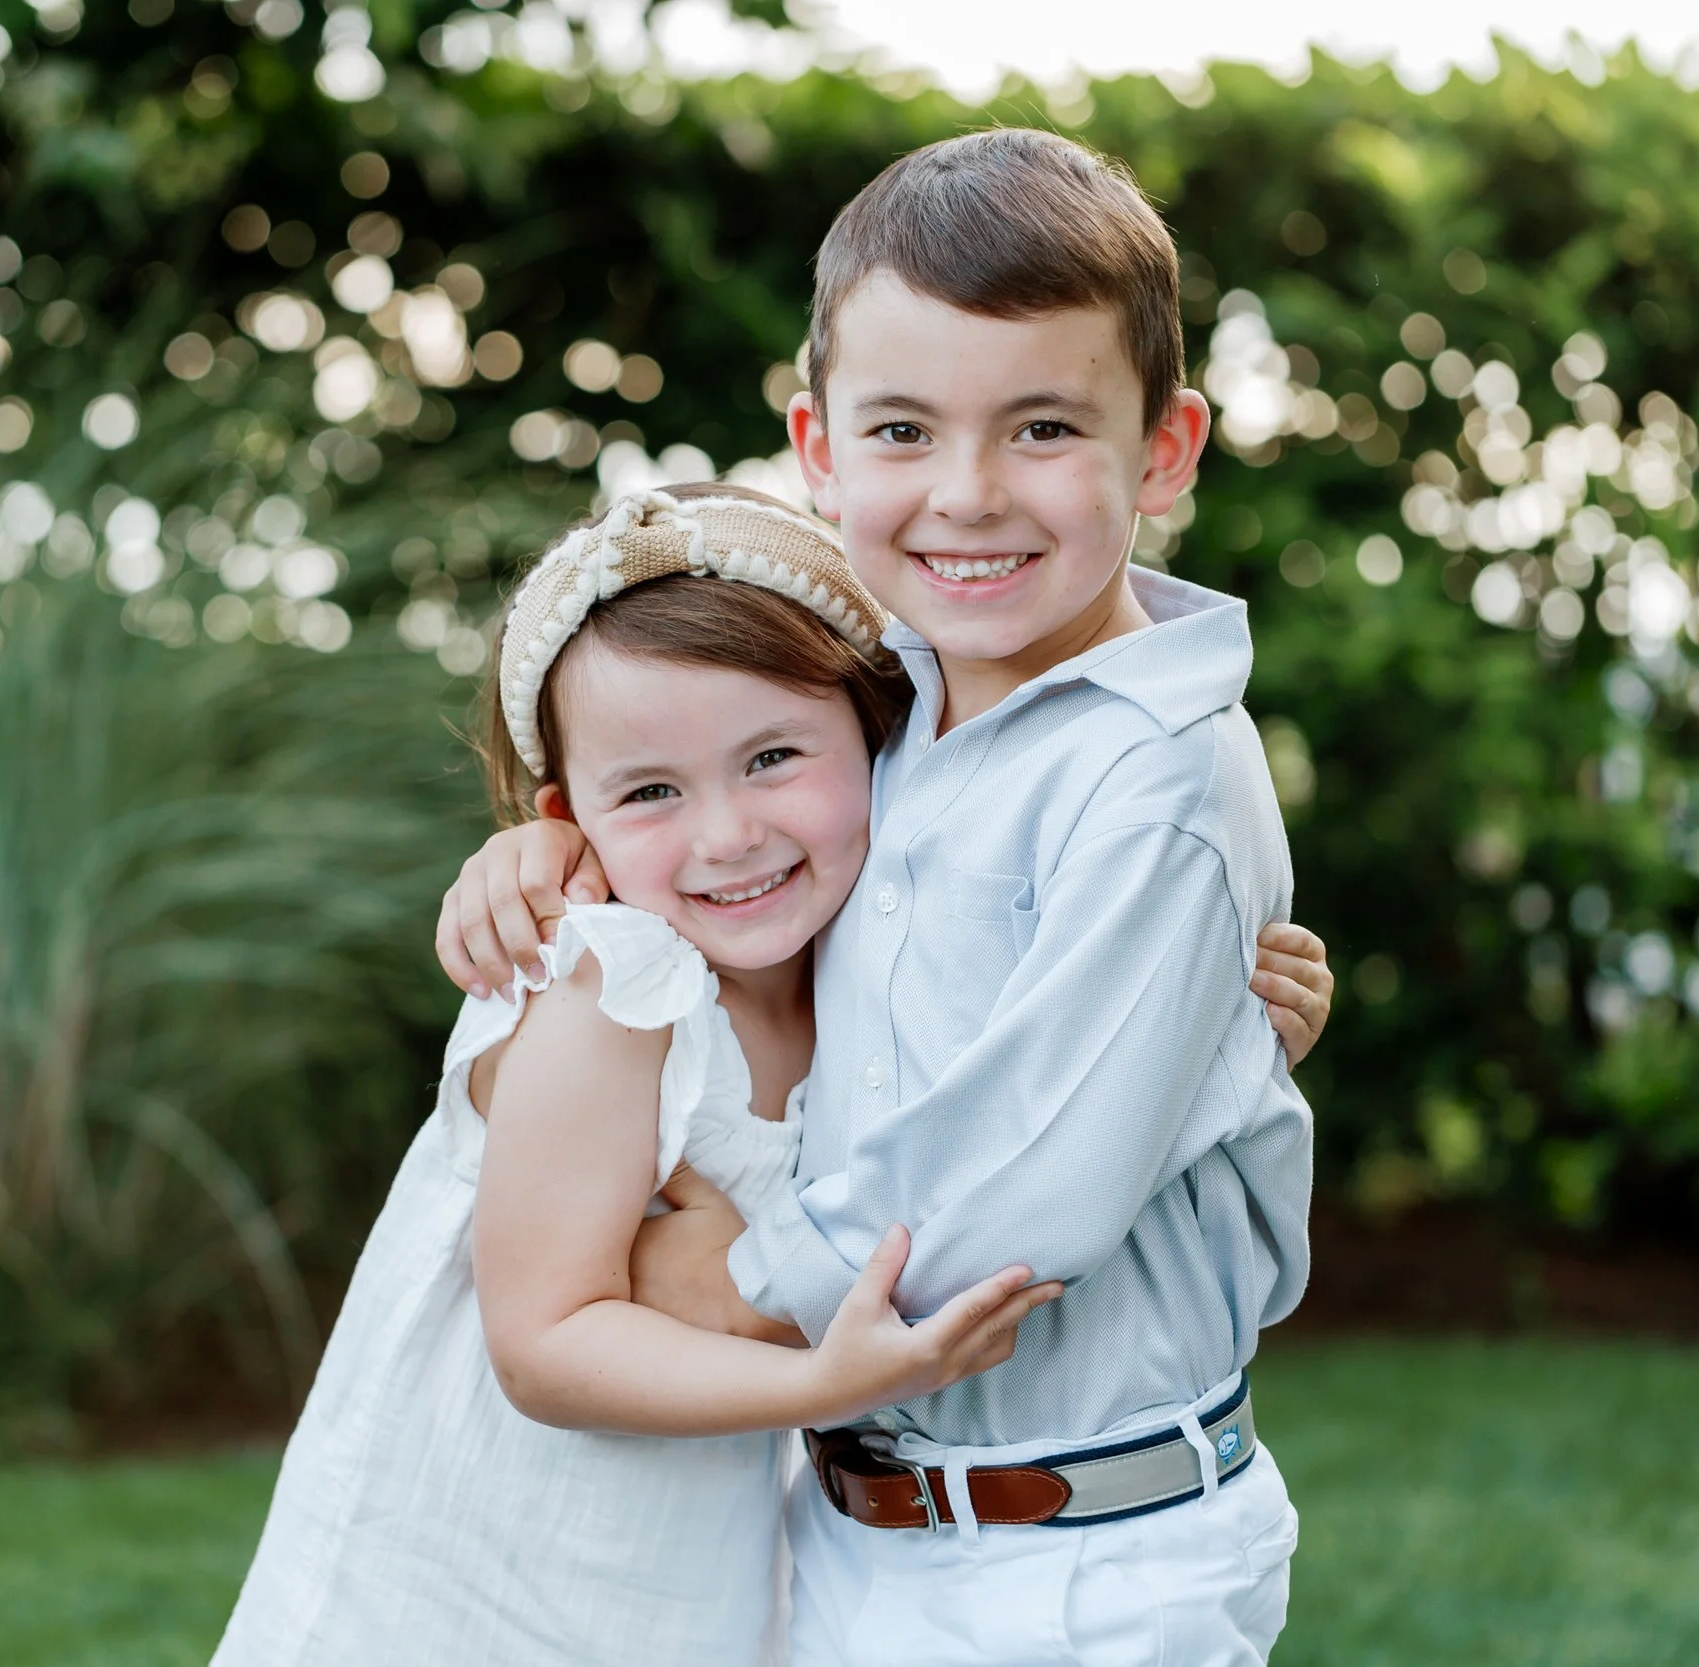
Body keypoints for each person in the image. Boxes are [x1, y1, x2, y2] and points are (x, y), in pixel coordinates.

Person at [436, 128, 1329, 1664]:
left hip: (1079, 1566)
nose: (968, 495)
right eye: (904, 430)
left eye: (1045, 426)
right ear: (822, 446)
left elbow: (1020, 1183)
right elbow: (750, 864)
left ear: (1168, 449)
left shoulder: (1158, 781)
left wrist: (711, 1277)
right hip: (855, 1524)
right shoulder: (888, 709)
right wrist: (556, 851)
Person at [214, 487, 1082, 1667]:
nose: (725, 834)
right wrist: (827, 1373)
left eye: (772, 756)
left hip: (671, 1574)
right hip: (456, 1582)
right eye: (650, 792)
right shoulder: (618, 984)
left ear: (880, 740)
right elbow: (546, 1341)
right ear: (570, 818)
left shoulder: (871, 976)